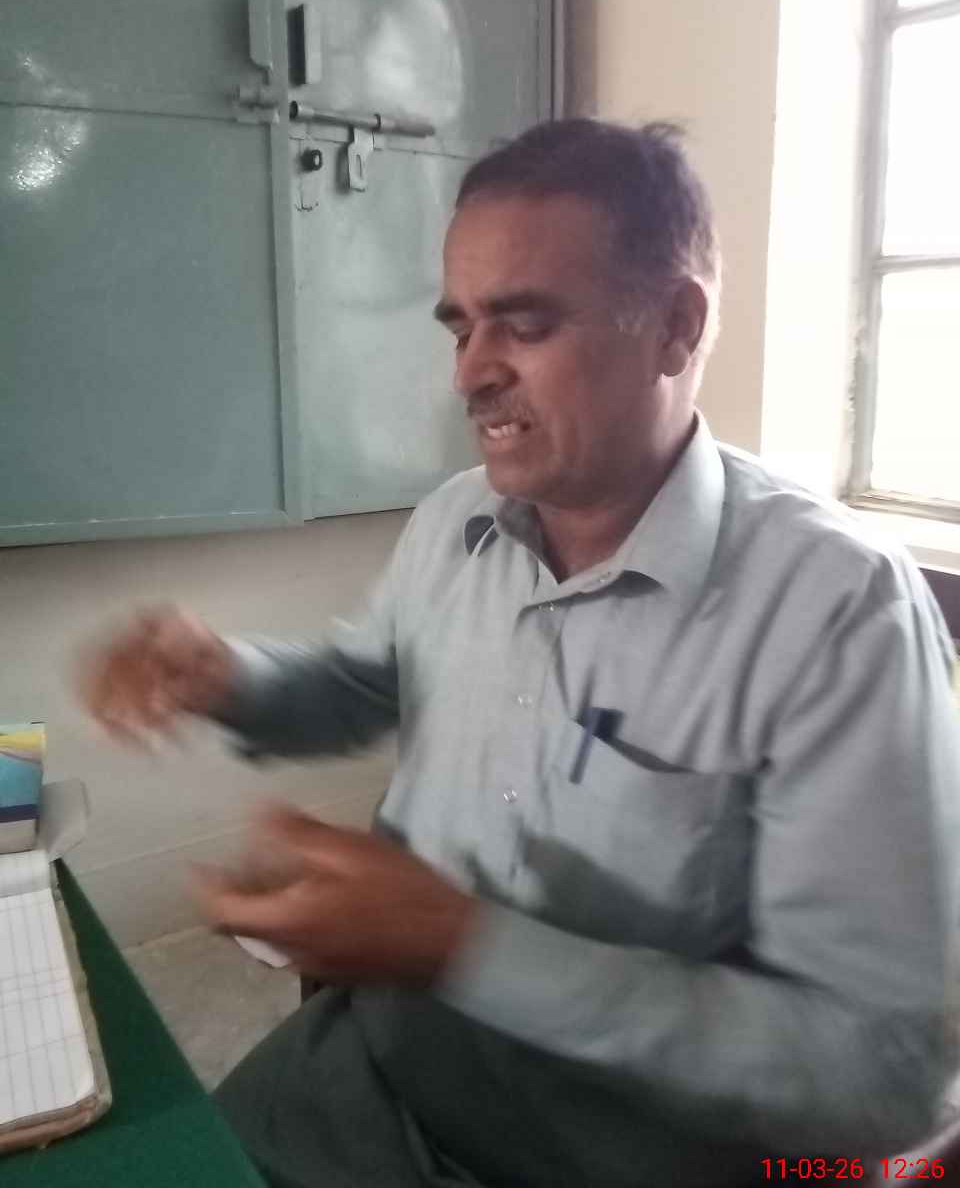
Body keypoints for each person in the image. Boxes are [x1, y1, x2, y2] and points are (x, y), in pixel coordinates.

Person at [82, 120, 960, 1188]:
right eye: (461, 328)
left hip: (610, 1156)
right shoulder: (457, 518)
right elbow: (363, 681)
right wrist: (231, 677)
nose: (470, 373)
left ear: (675, 326)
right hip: (375, 1072)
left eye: (524, 324)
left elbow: (879, 1073)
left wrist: (461, 944)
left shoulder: (836, 611)